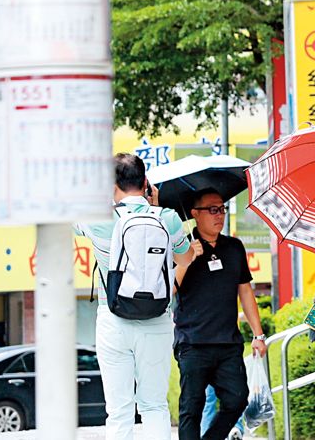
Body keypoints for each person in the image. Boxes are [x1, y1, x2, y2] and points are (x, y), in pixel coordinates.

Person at [75, 154, 194, 440]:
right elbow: (186, 258)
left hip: (113, 318)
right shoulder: (167, 218)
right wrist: (156, 208)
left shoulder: (98, 219)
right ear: (146, 183)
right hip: (157, 319)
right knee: (154, 405)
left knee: (119, 411)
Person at [174, 189, 268, 440]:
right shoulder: (182, 247)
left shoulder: (234, 247)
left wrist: (258, 335)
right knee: (191, 409)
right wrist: (187, 257)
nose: (219, 215)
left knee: (237, 399)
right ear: (195, 214)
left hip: (228, 342)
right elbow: (170, 288)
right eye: (212, 210)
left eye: (222, 209)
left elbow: (245, 291)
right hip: (193, 343)